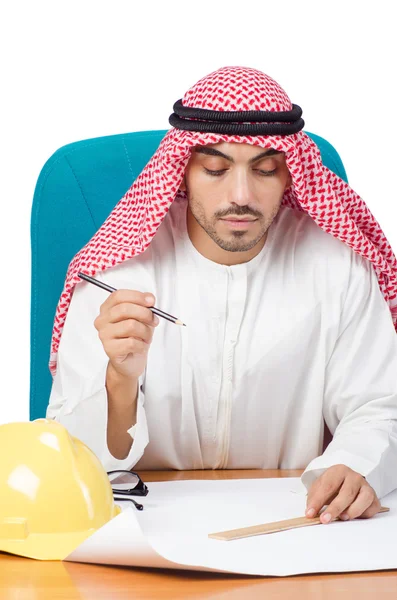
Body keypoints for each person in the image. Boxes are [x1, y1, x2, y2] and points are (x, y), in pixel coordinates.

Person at [47, 66, 397, 525]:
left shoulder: (337, 265)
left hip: (292, 526)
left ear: (291, 175)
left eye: (265, 169)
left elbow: (379, 406)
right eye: (215, 169)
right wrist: (120, 381)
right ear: (183, 171)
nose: (240, 195)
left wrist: (355, 465)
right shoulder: (116, 272)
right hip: (144, 530)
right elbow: (71, 458)